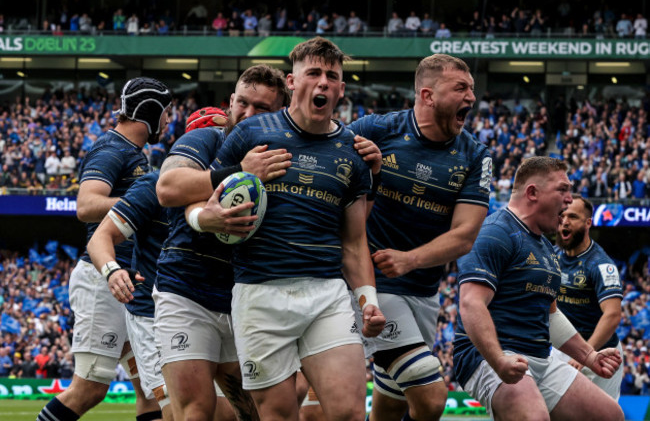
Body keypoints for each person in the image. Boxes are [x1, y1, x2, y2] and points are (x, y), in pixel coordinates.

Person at [196, 37, 385, 421]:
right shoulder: (250, 135)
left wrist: (369, 301)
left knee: (349, 413)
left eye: (332, 76)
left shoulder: (354, 150)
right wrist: (205, 217)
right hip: (259, 295)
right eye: (313, 73)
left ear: (341, 88)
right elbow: (202, 196)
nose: (323, 82)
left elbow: (354, 241)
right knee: (277, 414)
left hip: (325, 295)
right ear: (292, 82)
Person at [348, 54, 490, 421]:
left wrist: (410, 259)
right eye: (461, 88)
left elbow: (464, 236)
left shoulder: (475, 155)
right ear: (427, 95)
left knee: (390, 407)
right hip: (374, 287)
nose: (471, 98)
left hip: (424, 293)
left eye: (472, 89)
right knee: (429, 400)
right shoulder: (375, 129)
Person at [154, 66, 293, 421]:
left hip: (246, 299)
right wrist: (238, 172)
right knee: (196, 411)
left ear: (281, 112)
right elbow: (168, 188)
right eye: (242, 103)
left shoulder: (289, 159)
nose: (247, 114)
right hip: (187, 291)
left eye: (260, 108)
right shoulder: (206, 140)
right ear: (230, 101)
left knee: (260, 412)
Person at [37, 77, 172, 421]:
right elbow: (86, 204)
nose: (169, 121)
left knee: (152, 392)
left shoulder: (132, 152)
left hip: (129, 282)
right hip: (104, 278)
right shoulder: (112, 148)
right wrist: (142, 203)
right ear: (149, 111)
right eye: (166, 113)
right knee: (90, 387)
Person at [453, 157, 624, 421]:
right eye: (562, 190)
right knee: (534, 418)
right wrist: (498, 360)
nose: (569, 199)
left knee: (609, 415)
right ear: (533, 192)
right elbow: (471, 304)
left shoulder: (545, 247)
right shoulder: (495, 232)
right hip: (489, 355)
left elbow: (551, 314)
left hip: (540, 357)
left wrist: (589, 356)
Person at [86, 169, 171, 419]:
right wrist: (112, 271)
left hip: (206, 307)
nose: (166, 126)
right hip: (146, 308)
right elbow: (85, 207)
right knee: (91, 387)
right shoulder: (150, 182)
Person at [553, 195, 623, 400]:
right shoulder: (552, 256)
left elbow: (612, 315)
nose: (565, 221)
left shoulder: (601, 265)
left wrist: (586, 354)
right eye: (562, 215)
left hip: (601, 352)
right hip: (564, 348)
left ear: (588, 223)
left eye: (573, 217)